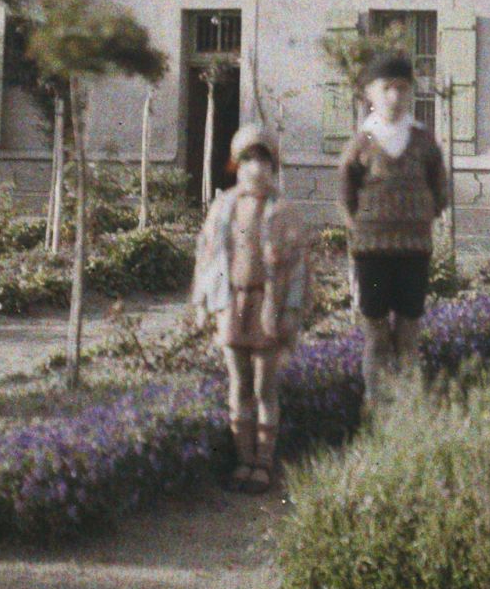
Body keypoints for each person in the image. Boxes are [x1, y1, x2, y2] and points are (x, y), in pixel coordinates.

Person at [192, 123, 311, 494]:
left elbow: (298, 269)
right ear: (236, 165)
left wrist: (290, 310)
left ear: (273, 167)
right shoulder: (223, 207)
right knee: (239, 382)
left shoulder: (283, 211)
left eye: (263, 161)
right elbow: (207, 256)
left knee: (264, 385)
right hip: (233, 304)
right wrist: (203, 301)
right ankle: (243, 459)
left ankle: (263, 462)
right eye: (247, 160)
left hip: (266, 306)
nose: (255, 169)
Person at [338, 51, 448, 406]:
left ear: (411, 92)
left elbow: (440, 191)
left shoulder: (423, 140)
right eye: (386, 88)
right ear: (370, 92)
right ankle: (376, 405)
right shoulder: (362, 143)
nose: (394, 96)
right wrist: (364, 229)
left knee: (408, 332)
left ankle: (407, 407)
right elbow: (346, 195)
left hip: (414, 252)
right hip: (371, 255)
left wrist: (418, 217)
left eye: (402, 88)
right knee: (376, 333)